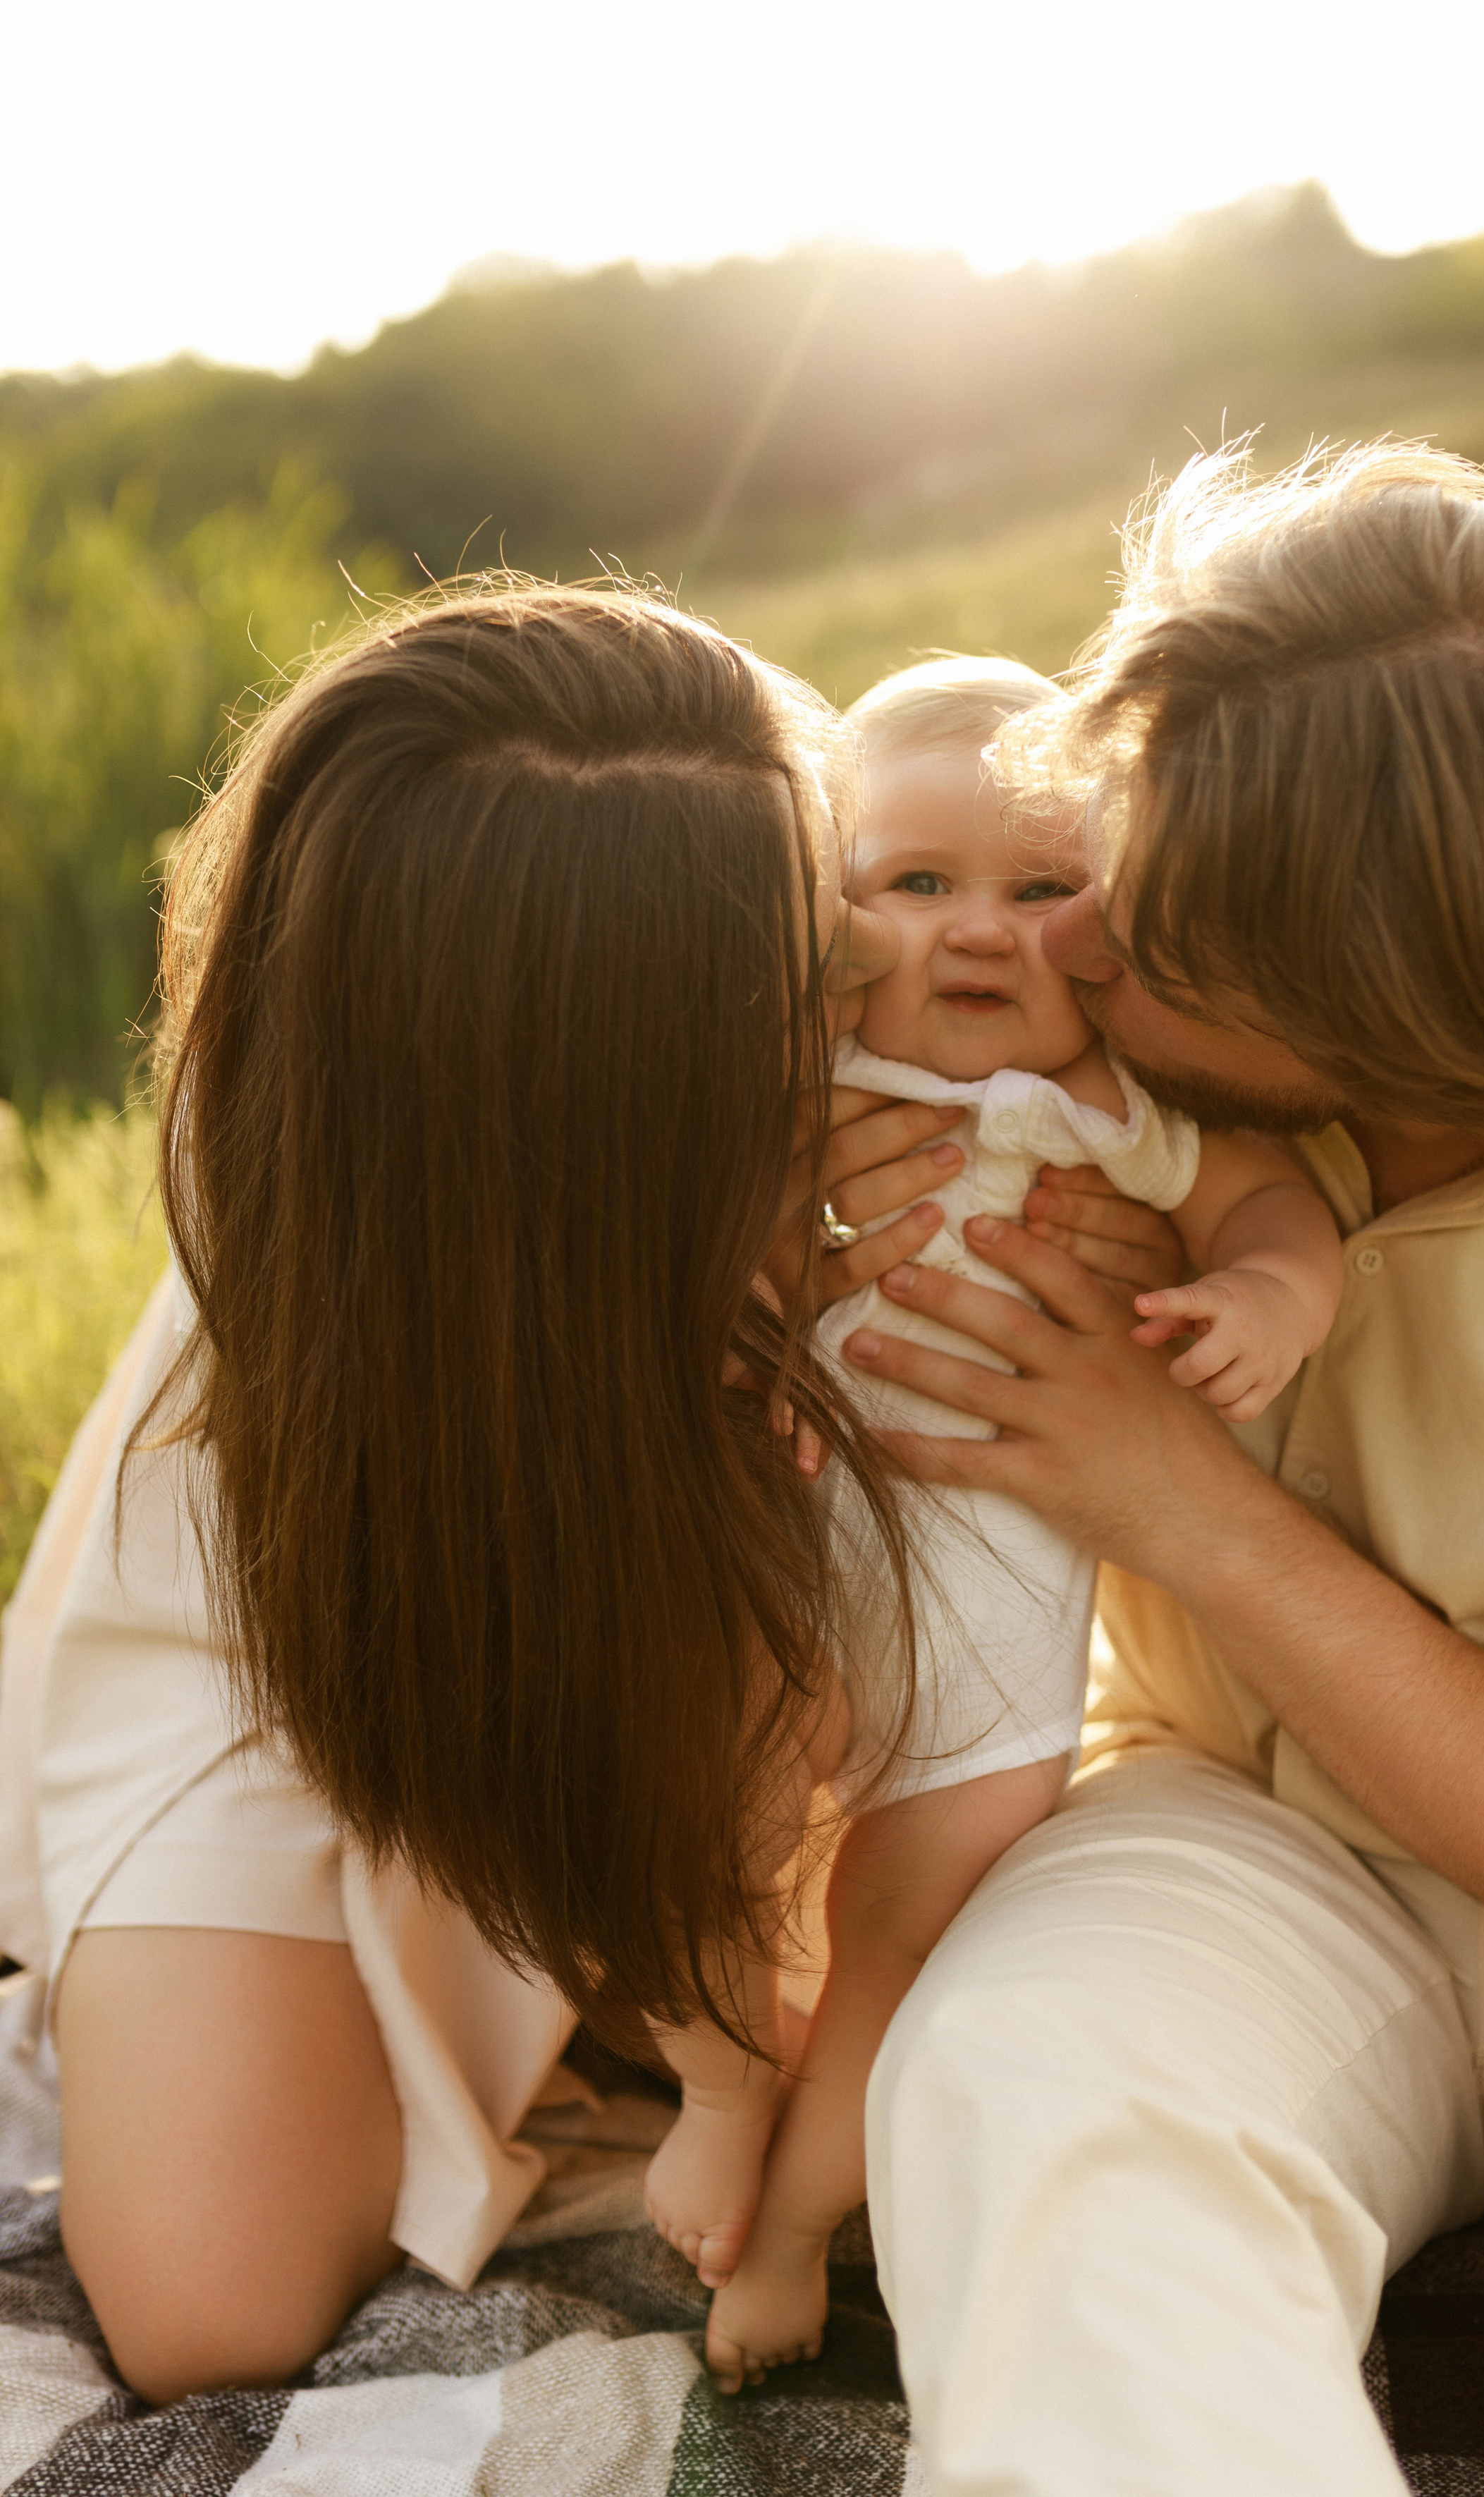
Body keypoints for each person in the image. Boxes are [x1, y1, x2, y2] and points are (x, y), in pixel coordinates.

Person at [831, 444, 1484, 2494]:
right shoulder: (1067, 1062)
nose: (1066, 937)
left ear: (1400, 1030)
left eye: (1153, 926)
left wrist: (1166, 1484)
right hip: (1244, 1837)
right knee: (1035, 2098)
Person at [0, 581, 970, 2405]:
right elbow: (211, 2306)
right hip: (337, 1550)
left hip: (606, 1478)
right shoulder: (281, 1344)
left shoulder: (868, 1026)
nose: (842, 1035)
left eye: (824, 970)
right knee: (222, 2280)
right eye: (792, 1009)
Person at [656, 656, 1343, 2391]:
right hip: (789, 1585)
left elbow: (1270, 1202)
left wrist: (1267, 1291)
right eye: (917, 884)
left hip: (992, 1641)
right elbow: (680, 1254)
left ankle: (805, 2228)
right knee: (697, 1824)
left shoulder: (1124, 1108)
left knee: (898, 1935)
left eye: (1040, 889)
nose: (979, 932)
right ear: (829, 913)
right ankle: (724, 2080)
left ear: (1112, 923)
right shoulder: (793, 1077)